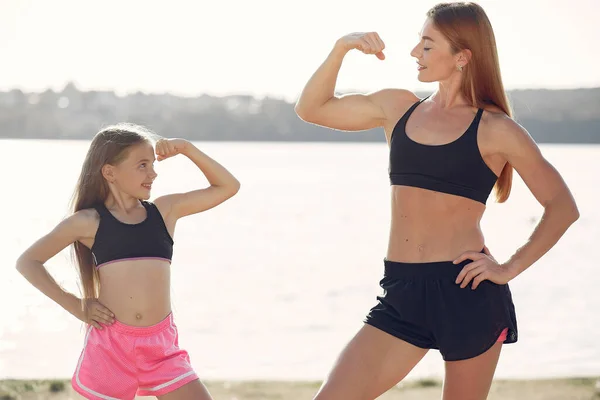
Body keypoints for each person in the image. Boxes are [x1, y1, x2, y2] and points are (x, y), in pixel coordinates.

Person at [294, 2, 579, 399]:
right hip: (402, 292)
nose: (415, 53)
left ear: (462, 57)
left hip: (467, 290)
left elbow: (563, 207)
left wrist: (508, 267)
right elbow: (311, 109)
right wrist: (342, 47)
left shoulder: (497, 129)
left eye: (427, 46)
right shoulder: (398, 107)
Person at [16, 123, 240, 399]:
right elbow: (28, 262)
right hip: (111, 348)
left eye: (153, 164)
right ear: (110, 172)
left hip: (161, 349)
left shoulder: (165, 211)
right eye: (142, 165)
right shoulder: (88, 222)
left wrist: (186, 149)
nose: (153, 173)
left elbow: (228, 186)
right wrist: (77, 306)